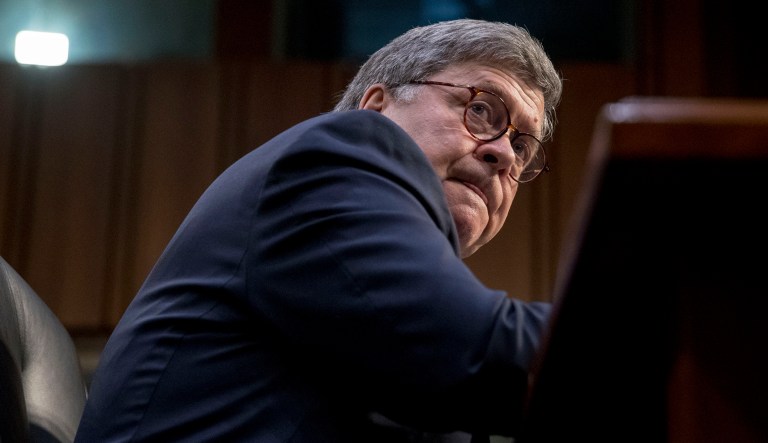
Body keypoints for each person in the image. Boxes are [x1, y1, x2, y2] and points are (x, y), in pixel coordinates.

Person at [74, 18, 563, 442]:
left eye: (523, 148)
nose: (503, 154)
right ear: (376, 107)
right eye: (481, 110)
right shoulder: (343, 151)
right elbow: (470, 348)